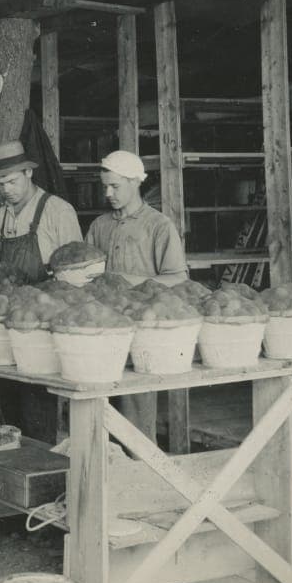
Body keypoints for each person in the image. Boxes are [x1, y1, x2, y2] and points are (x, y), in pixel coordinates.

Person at [85, 149, 189, 442]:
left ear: (135, 182)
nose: (108, 193)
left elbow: (178, 278)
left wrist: (130, 280)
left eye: (115, 186)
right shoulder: (99, 226)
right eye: (104, 186)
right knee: (97, 408)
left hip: (142, 330)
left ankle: (140, 475)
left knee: (136, 411)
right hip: (102, 328)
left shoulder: (158, 226)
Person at [0, 140, 83, 442]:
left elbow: (78, 275)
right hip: (9, 322)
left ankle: (43, 470)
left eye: (12, 181)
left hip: (44, 324)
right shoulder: (1, 216)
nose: (6, 189)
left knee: (38, 406)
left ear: (29, 172)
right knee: (7, 404)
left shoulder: (57, 211)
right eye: (0, 183)